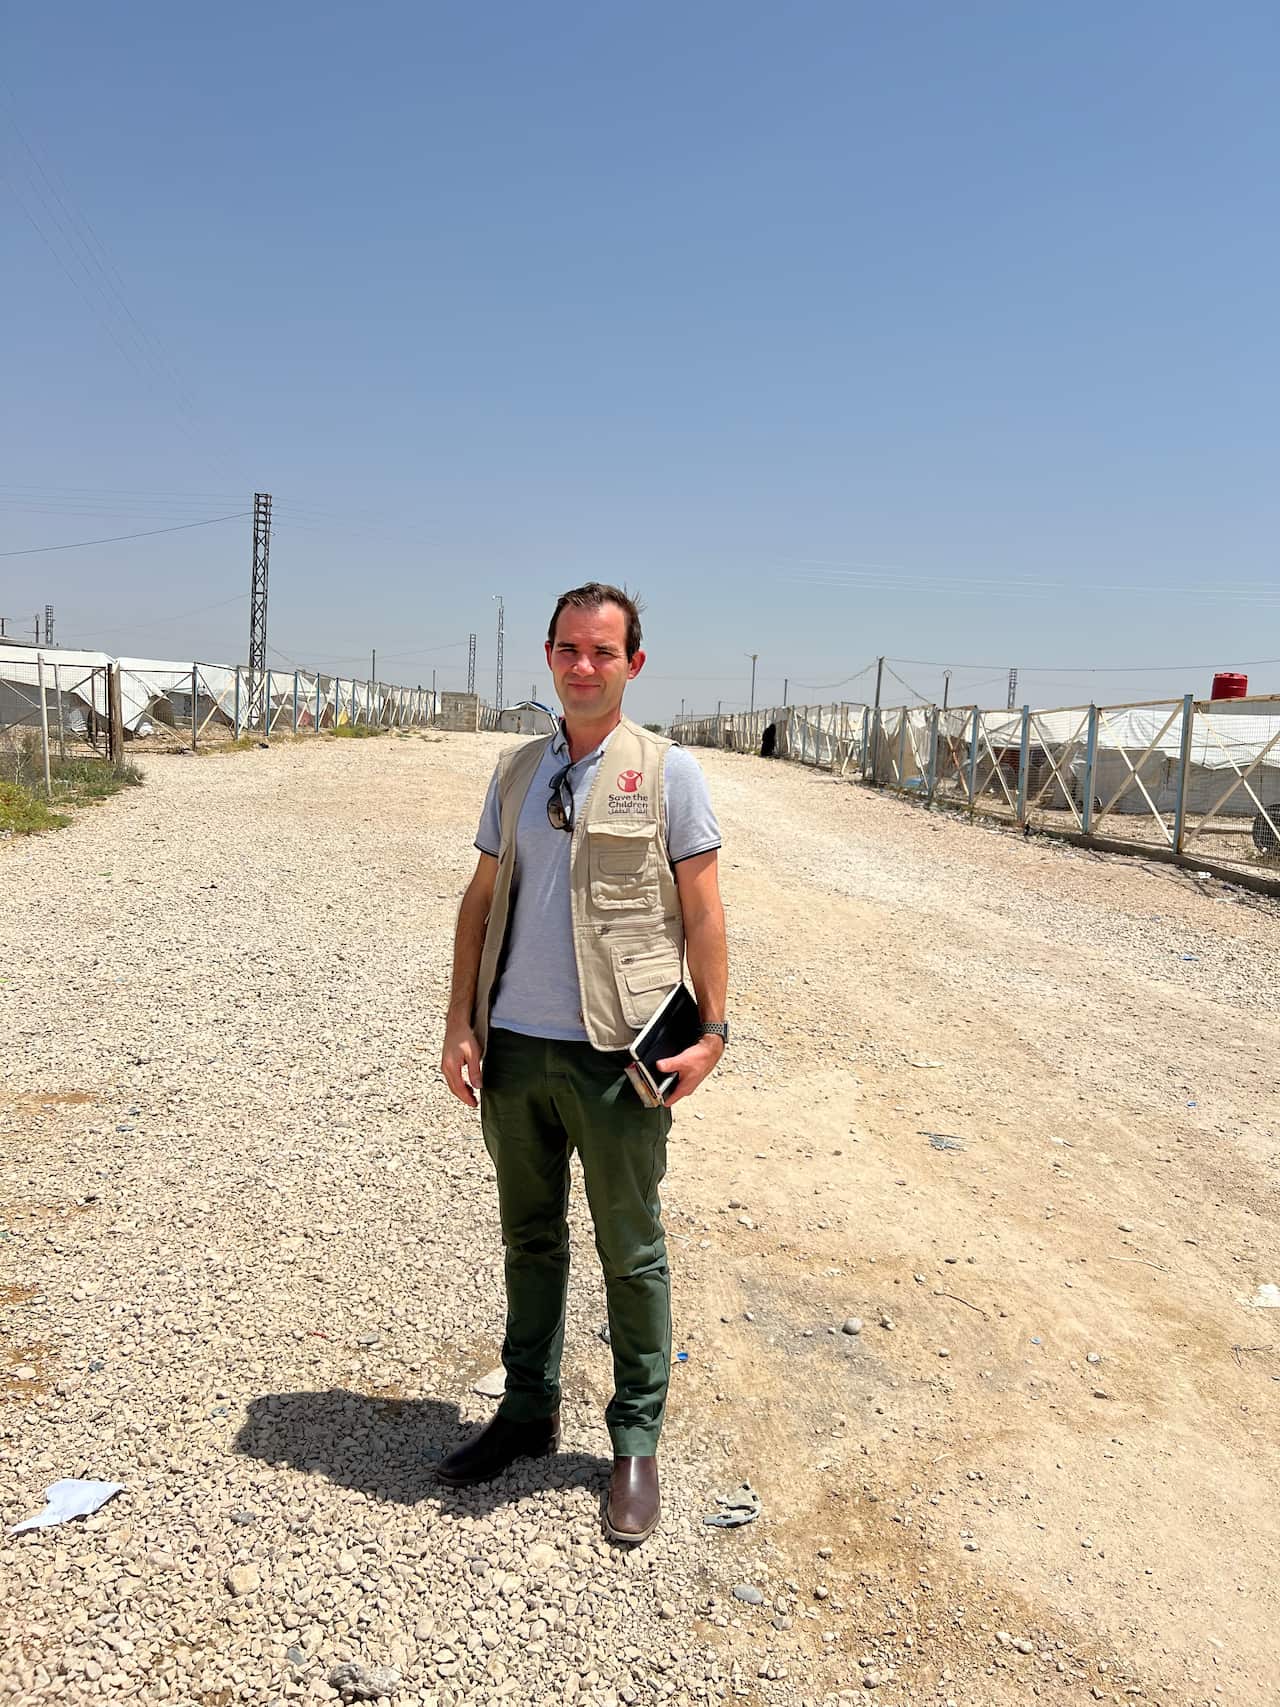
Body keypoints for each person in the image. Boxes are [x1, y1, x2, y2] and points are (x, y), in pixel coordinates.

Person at [438, 582, 728, 1543]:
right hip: (517, 1050)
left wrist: (713, 1032)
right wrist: (460, 1022)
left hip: (617, 1057)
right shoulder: (518, 771)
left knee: (630, 1249)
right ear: (550, 657)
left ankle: (635, 1441)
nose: (584, 665)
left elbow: (704, 910)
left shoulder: (667, 772)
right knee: (530, 1238)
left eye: (604, 651)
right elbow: (481, 901)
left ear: (633, 663)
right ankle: (527, 1411)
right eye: (569, 648)